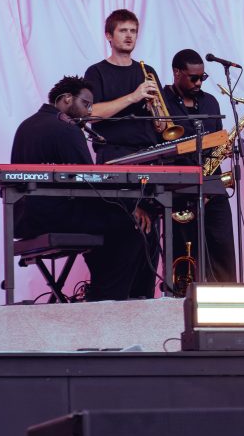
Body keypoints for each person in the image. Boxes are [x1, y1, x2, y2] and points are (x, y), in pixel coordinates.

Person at [11, 75, 152, 301]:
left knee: (106, 228)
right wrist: (129, 206)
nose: (88, 112)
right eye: (85, 104)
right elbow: (90, 181)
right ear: (67, 99)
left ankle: (98, 293)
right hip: (53, 217)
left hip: (23, 219)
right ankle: (108, 300)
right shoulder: (66, 128)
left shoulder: (26, 125)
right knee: (132, 226)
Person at [161, 49, 236, 285]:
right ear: (176, 73)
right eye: (193, 77)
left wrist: (224, 148)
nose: (198, 83)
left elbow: (217, 139)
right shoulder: (162, 103)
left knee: (223, 248)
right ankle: (181, 300)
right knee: (183, 253)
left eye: (202, 78)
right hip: (179, 186)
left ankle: (227, 302)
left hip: (212, 184)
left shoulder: (210, 101)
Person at [84, 9, 166, 163]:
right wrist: (133, 97)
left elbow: (162, 126)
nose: (129, 35)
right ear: (108, 35)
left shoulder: (148, 71)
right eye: (123, 30)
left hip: (150, 154)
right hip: (114, 154)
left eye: (133, 31)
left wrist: (155, 110)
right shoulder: (96, 72)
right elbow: (90, 115)